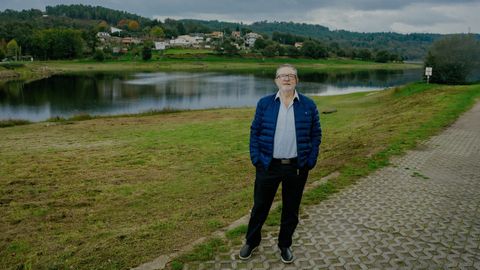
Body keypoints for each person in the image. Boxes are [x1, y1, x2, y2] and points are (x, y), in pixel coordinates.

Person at [239, 64, 322, 263]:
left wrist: (310, 161)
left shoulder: (308, 105)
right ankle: (251, 241)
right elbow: (255, 132)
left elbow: (315, 134)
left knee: (291, 209)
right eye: (282, 76)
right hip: (268, 165)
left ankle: (285, 244)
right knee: (260, 206)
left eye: (291, 76)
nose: (286, 79)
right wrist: (256, 159)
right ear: (276, 80)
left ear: (297, 80)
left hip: (297, 167)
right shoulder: (265, 103)